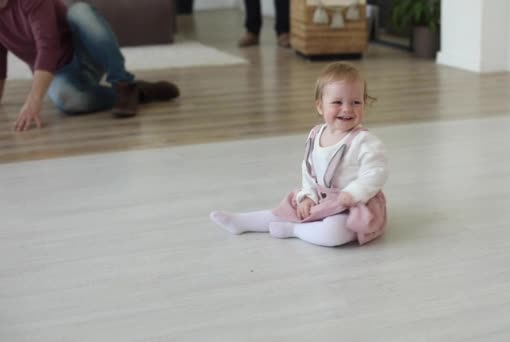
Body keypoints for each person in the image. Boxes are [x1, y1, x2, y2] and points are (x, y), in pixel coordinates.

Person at [210, 62, 388, 247]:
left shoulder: (365, 142)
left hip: (352, 206)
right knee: (286, 210)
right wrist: (308, 196)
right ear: (320, 106)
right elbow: (308, 170)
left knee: (335, 231)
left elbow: (376, 173)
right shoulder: (315, 134)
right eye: (337, 102)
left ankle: (294, 230)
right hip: (321, 198)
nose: (347, 108)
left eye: (356, 102)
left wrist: (354, 193)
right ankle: (243, 222)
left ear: (364, 104)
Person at [0, 0, 180, 132]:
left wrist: (34, 99)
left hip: (85, 52)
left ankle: (123, 83)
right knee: (68, 100)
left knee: (80, 11)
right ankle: (137, 92)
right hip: (58, 72)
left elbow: (48, 47)